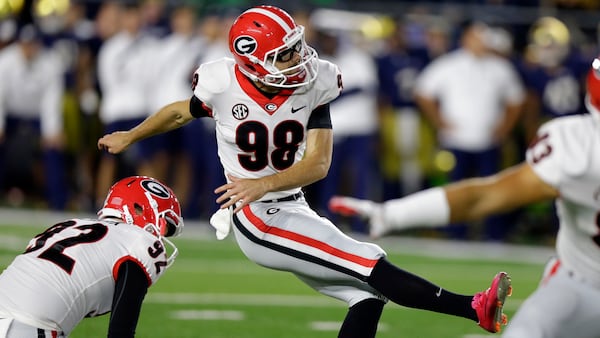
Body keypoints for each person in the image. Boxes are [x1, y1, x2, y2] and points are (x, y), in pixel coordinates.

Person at [98, 6, 511, 337]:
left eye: (297, 46)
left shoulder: (317, 83)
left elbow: (318, 163)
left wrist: (263, 183)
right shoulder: (222, 82)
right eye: (284, 54)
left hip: (286, 202)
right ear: (252, 60)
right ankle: (474, 307)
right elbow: (179, 113)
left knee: (365, 295)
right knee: (368, 262)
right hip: (258, 218)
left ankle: (471, 308)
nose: (299, 59)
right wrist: (132, 136)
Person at [329, 57, 600, 338]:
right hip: (579, 283)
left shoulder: (578, 143)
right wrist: (394, 214)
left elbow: (484, 196)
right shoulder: (578, 146)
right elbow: (486, 196)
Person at [0, 175, 184, 337]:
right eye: (164, 224)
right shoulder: (138, 241)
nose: (161, 234)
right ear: (139, 209)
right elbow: (121, 331)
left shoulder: (69, 224)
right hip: (28, 323)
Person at [413, 20, 525, 240]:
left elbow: (517, 100)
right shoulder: (449, 65)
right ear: (465, 39)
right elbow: (423, 92)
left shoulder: (499, 67)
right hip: (456, 140)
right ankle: (456, 233)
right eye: (477, 37)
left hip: (488, 141)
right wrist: (440, 122)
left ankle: (494, 234)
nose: (481, 42)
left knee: (493, 191)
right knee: (456, 190)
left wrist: (504, 128)